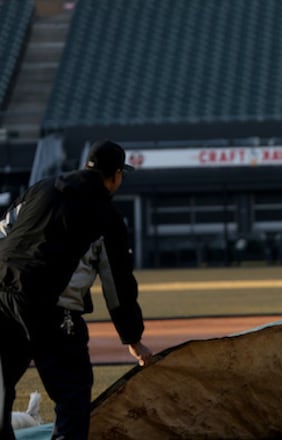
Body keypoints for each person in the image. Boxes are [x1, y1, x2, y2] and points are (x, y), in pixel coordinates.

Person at [0, 140, 153, 439]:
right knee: (73, 395)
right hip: (50, 308)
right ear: (116, 175)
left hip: (1, 296)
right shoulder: (106, 217)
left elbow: (4, 229)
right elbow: (117, 284)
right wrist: (133, 338)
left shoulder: (42, 188)